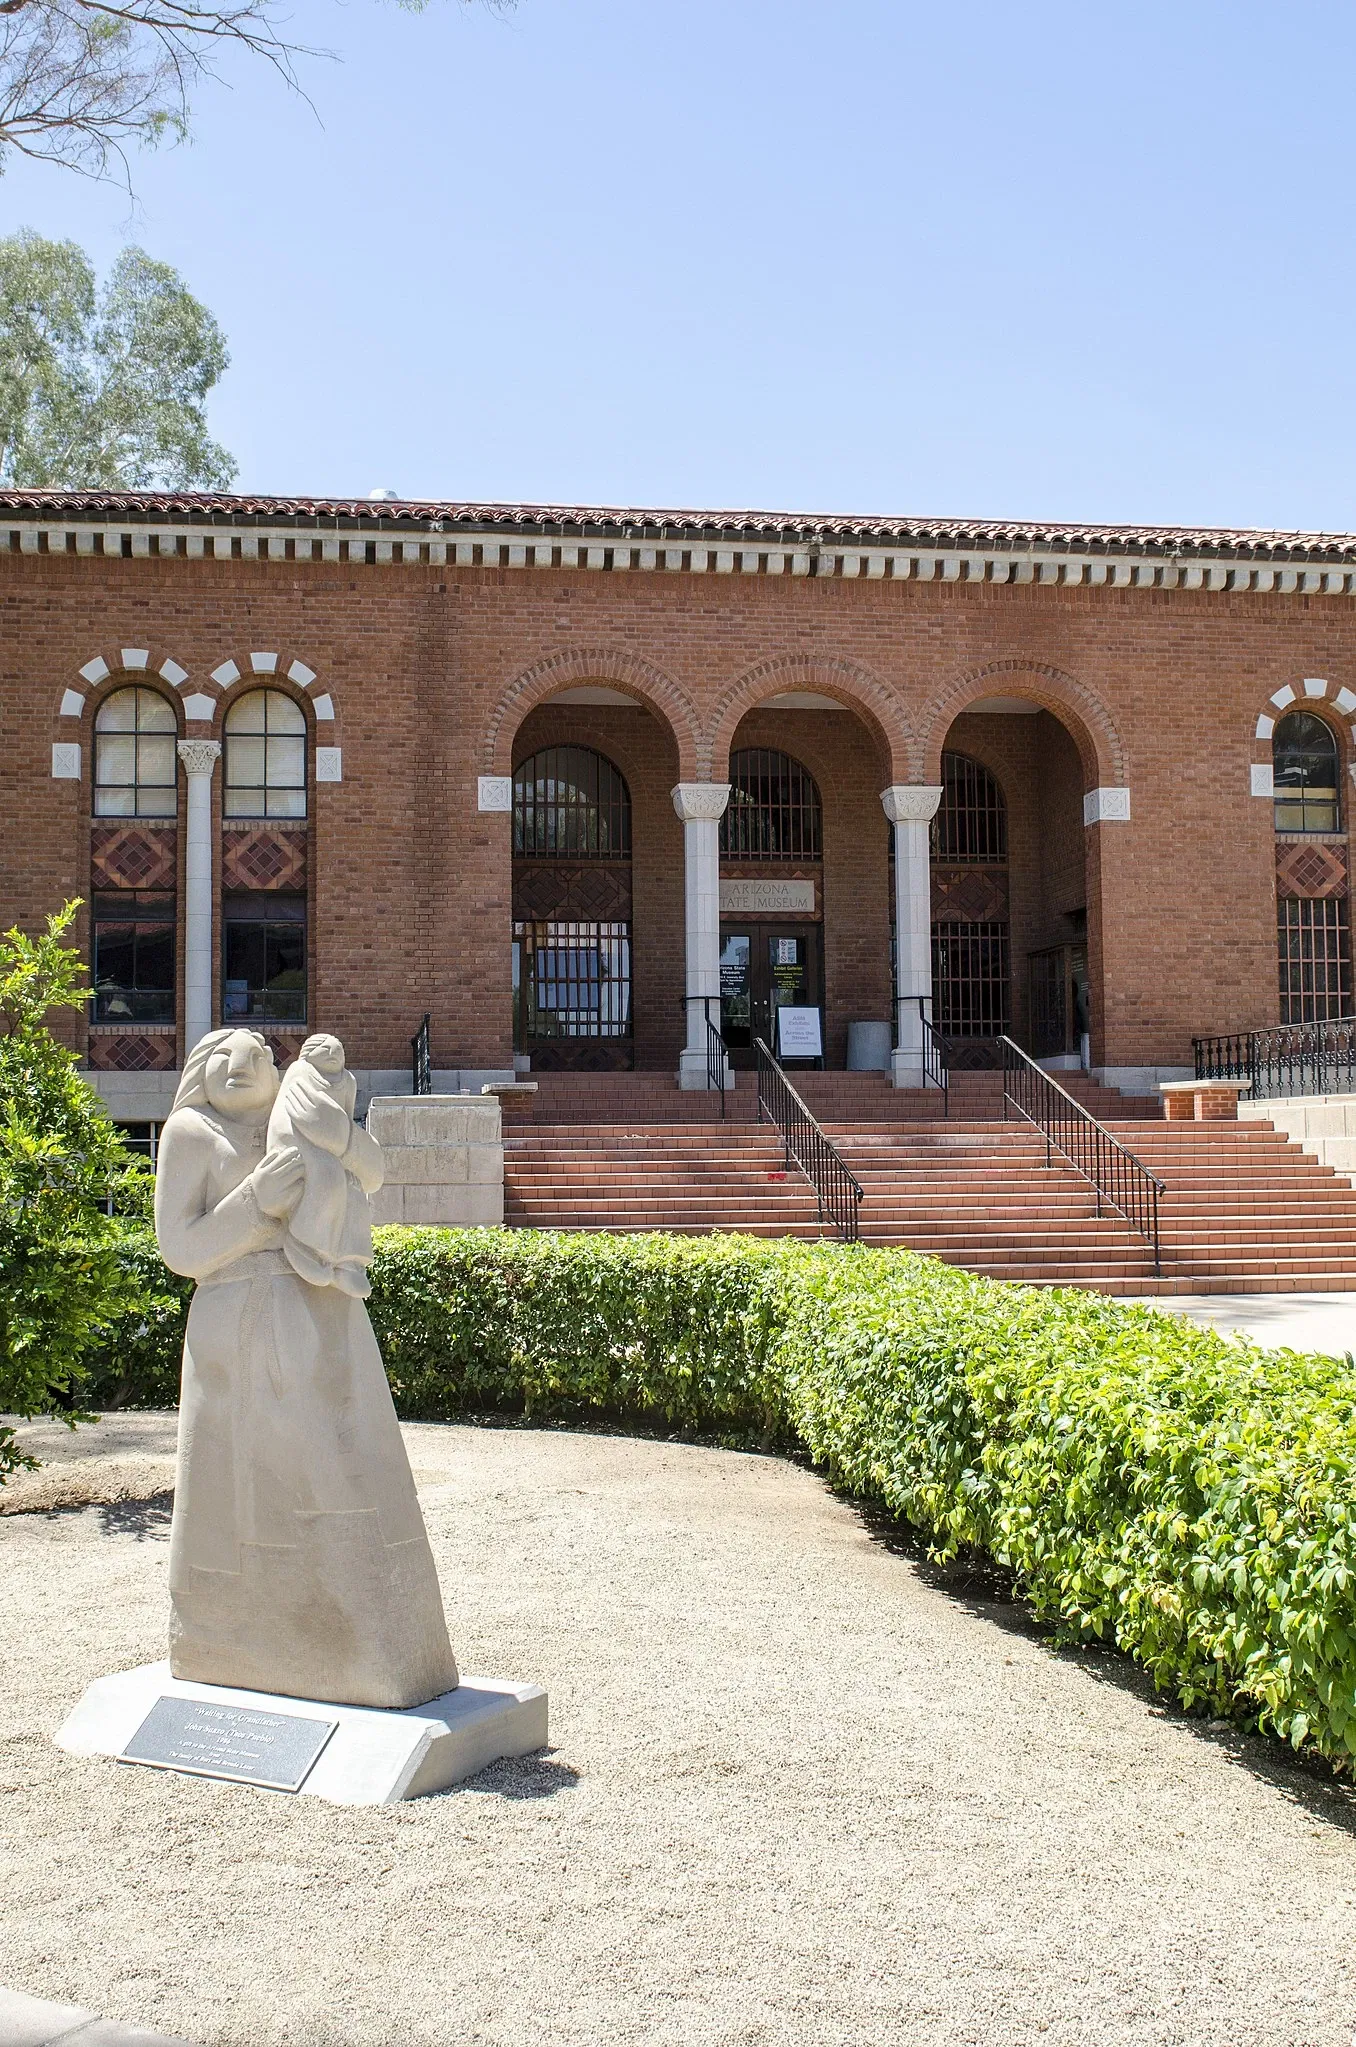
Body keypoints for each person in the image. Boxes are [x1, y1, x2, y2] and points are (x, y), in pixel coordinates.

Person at [153, 1028, 458, 1710]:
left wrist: (338, 1137)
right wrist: (258, 1202)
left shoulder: (300, 1110)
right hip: (235, 1319)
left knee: (344, 1468)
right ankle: (229, 1634)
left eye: (257, 1051)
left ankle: (365, 1639)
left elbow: (372, 1170)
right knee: (232, 1487)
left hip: (323, 1313)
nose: (242, 1062)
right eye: (223, 1053)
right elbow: (181, 1248)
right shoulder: (191, 1134)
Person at [265, 1033, 378, 1297]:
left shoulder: (347, 1080)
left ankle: (350, 1261)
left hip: (332, 1145)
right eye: (324, 1048)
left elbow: (345, 1120)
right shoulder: (300, 1071)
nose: (332, 1052)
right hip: (295, 1139)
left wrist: (349, 1154)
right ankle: (308, 1245)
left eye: (337, 1049)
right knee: (328, 1175)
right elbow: (306, 1113)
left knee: (354, 1186)